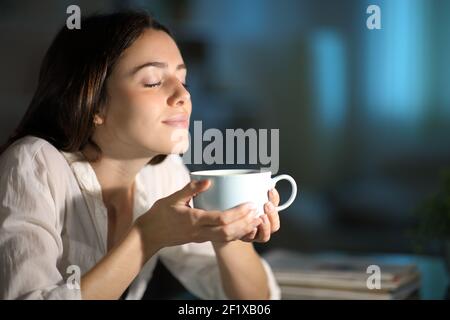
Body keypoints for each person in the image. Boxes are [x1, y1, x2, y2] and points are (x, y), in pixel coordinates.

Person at [0, 11, 281, 300]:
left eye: (183, 80)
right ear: (94, 104)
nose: (183, 96)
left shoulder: (162, 172)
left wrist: (227, 232)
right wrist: (147, 237)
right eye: (152, 81)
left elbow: (254, 302)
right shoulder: (32, 164)